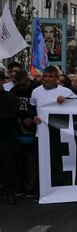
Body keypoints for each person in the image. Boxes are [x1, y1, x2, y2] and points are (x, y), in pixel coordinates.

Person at [10, 70, 39, 200]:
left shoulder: (37, 90)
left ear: (28, 79)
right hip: (18, 131)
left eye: (23, 85)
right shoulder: (14, 91)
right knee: (18, 161)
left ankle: (31, 187)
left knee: (32, 161)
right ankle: (19, 186)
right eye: (19, 85)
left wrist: (32, 118)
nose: (21, 87)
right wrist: (20, 119)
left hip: (35, 130)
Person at [0, 71, 19, 204]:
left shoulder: (10, 97)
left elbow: (14, 115)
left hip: (5, 136)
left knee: (7, 165)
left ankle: (10, 192)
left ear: (2, 81)